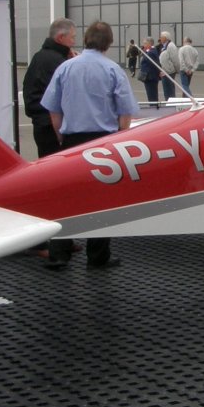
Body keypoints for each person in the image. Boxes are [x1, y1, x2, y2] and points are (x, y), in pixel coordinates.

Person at [40, 21, 139, 271]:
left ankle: (59, 254)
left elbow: (53, 108)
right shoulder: (112, 69)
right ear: (109, 42)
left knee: (65, 198)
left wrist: (61, 136)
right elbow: (125, 112)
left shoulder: (66, 68)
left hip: (71, 140)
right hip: (103, 142)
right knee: (102, 201)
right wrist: (121, 136)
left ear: (85, 39)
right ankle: (97, 257)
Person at [22, 18, 76, 159]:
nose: (74, 42)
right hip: (51, 126)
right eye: (72, 38)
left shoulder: (39, 57)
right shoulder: (57, 62)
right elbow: (69, 94)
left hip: (41, 123)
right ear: (60, 38)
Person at [158, 31, 180, 100]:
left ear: (165, 38)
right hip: (165, 71)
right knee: (166, 91)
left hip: (169, 72)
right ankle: (168, 103)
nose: (160, 39)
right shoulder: (165, 46)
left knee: (169, 91)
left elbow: (175, 59)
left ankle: (171, 104)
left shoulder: (171, 46)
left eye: (161, 37)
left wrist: (177, 69)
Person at [137, 36, 161, 103]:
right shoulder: (150, 51)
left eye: (145, 43)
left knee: (152, 96)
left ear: (149, 44)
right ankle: (153, 107)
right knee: (151, 96)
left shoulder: (151, 53)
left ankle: (154, 109)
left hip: (150, 77)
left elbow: (154, 65)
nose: (143, 45)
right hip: (150, 77)